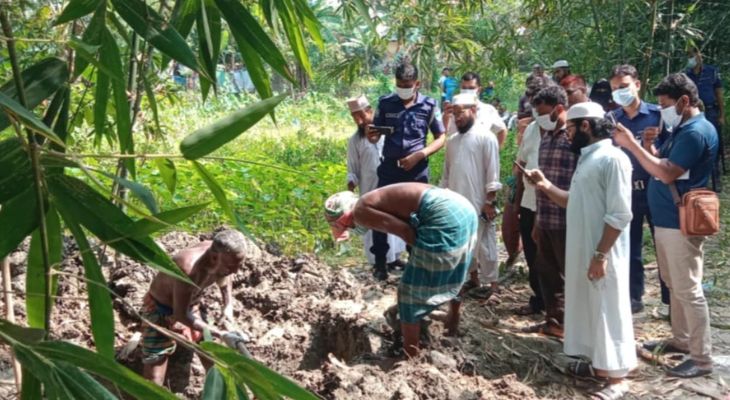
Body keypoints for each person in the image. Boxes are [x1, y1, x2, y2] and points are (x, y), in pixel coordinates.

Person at [526, 102, 636, 400]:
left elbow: (620, 214)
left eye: (571, 129)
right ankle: (599, 366)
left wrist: (601, 255)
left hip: (603, 253)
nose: (567, 135)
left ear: (585, 126)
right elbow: (574, 201)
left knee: (608, 308)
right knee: (589, 306)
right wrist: (545, 185)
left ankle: (617, 378)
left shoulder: (613, 159)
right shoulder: (588, 159)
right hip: (586, 250)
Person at [613, 73, 717, 378]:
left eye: (665, 104)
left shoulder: (695, 132)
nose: (662, 109)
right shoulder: (681, 128)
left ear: (684, 101)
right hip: (667, 218)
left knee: (688, 288)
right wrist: (650, 147)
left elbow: (669, 173)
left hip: (679, 220)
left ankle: (702, 358)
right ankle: (682, 339)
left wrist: (633, 146)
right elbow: (664, 162)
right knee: (674, 283)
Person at [324, 185, 477, 357]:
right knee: (455, 269)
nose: (350, 228)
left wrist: (419, 260)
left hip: (443, 216)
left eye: (345, 225)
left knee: (408, 293)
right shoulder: (370, 200)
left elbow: (405, 231)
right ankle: (452, 320)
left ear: (343, 216)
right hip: (462, 209)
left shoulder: (360, 211)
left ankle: (410, 355)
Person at [369, 60, 446, 280]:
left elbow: (441, 137)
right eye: (399, 83)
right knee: (380, 213)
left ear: (417, 84)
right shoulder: (385, 103)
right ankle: (380, 264)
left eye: (407, 84)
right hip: (389, 170)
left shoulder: (429, 106)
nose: (403, 87)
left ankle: (416, 262)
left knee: (417, 217)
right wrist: (372, 135)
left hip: (416, 171)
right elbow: (375, 132)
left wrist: (420, 155)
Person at [141, 230, 247, 385]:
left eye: (239, 265)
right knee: (154, 377)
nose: (236, 271)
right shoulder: (188, 269)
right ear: (214, 257)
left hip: (191, 306)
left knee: (213, 360)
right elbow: (181, 315)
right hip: (160, 310)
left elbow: (225, 275)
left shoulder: (221, 258)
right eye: (231, 266)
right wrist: (221, 334)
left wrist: (228, 306)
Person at [608, 64, 670, 313]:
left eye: (623, 87)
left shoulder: (658, 115)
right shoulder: (612, 120)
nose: (619, 92)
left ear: (637, 84)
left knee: (663, 245)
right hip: (626, 190)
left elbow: (669, 156)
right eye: (614, 89)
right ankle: (634, 296)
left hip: (656, 189)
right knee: (629, 246)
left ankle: (670, 300)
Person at [522, 85, 577, 338]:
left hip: (569, 222)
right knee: (549, 276)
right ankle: (554, 322)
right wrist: (537, 222)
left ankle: (575, 329)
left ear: (559, 109)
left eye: (544, 113)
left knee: (572, 278)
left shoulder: (574, 138)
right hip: (545, 219)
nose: (540, 119)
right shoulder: (545, 138)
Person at [441, 93, 502, 296]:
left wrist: (490, 201)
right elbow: (447, 173)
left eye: (461, 113)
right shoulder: (452, 141)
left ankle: (493, 285)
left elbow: (492, 172)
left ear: (474, 111)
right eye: (454, 113)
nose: (457, 118)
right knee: (464, 243)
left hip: (479, 200)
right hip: (457, 200)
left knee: (485, 244)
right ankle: (473, 280)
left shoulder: (487, 137)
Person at [345, 95, 406, 269]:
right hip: (369, 189)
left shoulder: (386, 133)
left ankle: (394, 258)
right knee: (374, 222)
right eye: (354, 117)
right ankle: (377, 261)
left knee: (393, 219)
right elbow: (352, 169)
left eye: (361, 115)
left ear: (370, 111)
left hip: (390, 185)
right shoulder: (355, 141)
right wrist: (351, 185)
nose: (358, 120)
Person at [514, 77, 555, 315]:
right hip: (530, 201)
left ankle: (556, 308)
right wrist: (517, 202)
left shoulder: (565, 130)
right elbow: (520, 162)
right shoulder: (530, 129)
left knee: (551, 256)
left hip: (553, 204)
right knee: (532, 253)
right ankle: (539, 299)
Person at [686, 46, 725, 188]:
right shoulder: (687, 74)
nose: (690, 58)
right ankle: (701, 180)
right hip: (695, 113)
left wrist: (722, 115)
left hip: (711, 111)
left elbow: (719, 93)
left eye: (692, 55)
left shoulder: (712, 71)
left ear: (698, 55)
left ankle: (717, 179)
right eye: (688, 56)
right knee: (697, 144)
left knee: (714, 144)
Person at [443, 72, 508, 148]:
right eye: (464, 88)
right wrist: (446, 117)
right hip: (457, 155)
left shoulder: (488, 110)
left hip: (480, 157)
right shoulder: (452, 110)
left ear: (479, 89)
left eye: (471, 88)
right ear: (460, 88)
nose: (467, 91)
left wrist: (496, 150)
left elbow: (502, 130)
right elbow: (443, 133)